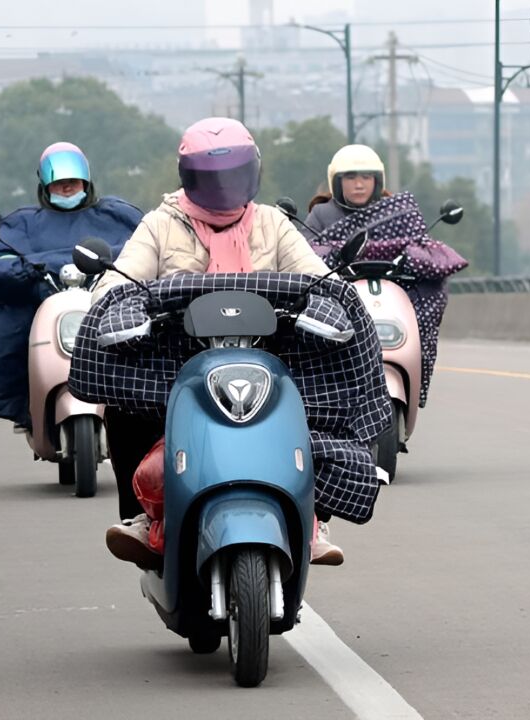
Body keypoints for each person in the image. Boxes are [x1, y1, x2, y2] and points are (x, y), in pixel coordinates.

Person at [93, 117, 351, 569]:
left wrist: (327, 303)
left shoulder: (273, 223)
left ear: (253, 172)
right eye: (211, 178)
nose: (224, 187)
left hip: (270, 359)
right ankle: (141, 514)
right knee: (124, 406)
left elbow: (317, 277)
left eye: (233, 175)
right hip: (176, 365)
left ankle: (314, 518)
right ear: (187, 177)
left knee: (323, 402)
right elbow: (118, 282)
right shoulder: (160, 224)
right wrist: (123, 307)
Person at [0, 142, 142, 428]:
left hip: (106, 300)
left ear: (86, 183)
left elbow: (144, 250)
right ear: (45, 186)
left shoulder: (117, 216)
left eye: (72, 183)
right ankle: (27, 405)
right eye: (59, 184)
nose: (66, 189)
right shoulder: (22, 223)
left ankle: (140, 406)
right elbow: (0, 261)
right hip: (43, 303)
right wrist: (32, 269)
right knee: (8, 328)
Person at [303, 144, 467, 409]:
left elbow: (420, 245)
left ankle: (415, 374)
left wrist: (417, 258)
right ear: (337, 181)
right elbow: (305, 254)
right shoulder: (321, 214)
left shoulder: (396, 213)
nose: (359, 184)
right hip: (339, 298)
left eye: (366, 177)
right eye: (351, 177)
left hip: (390, 297)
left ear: (377, 181)